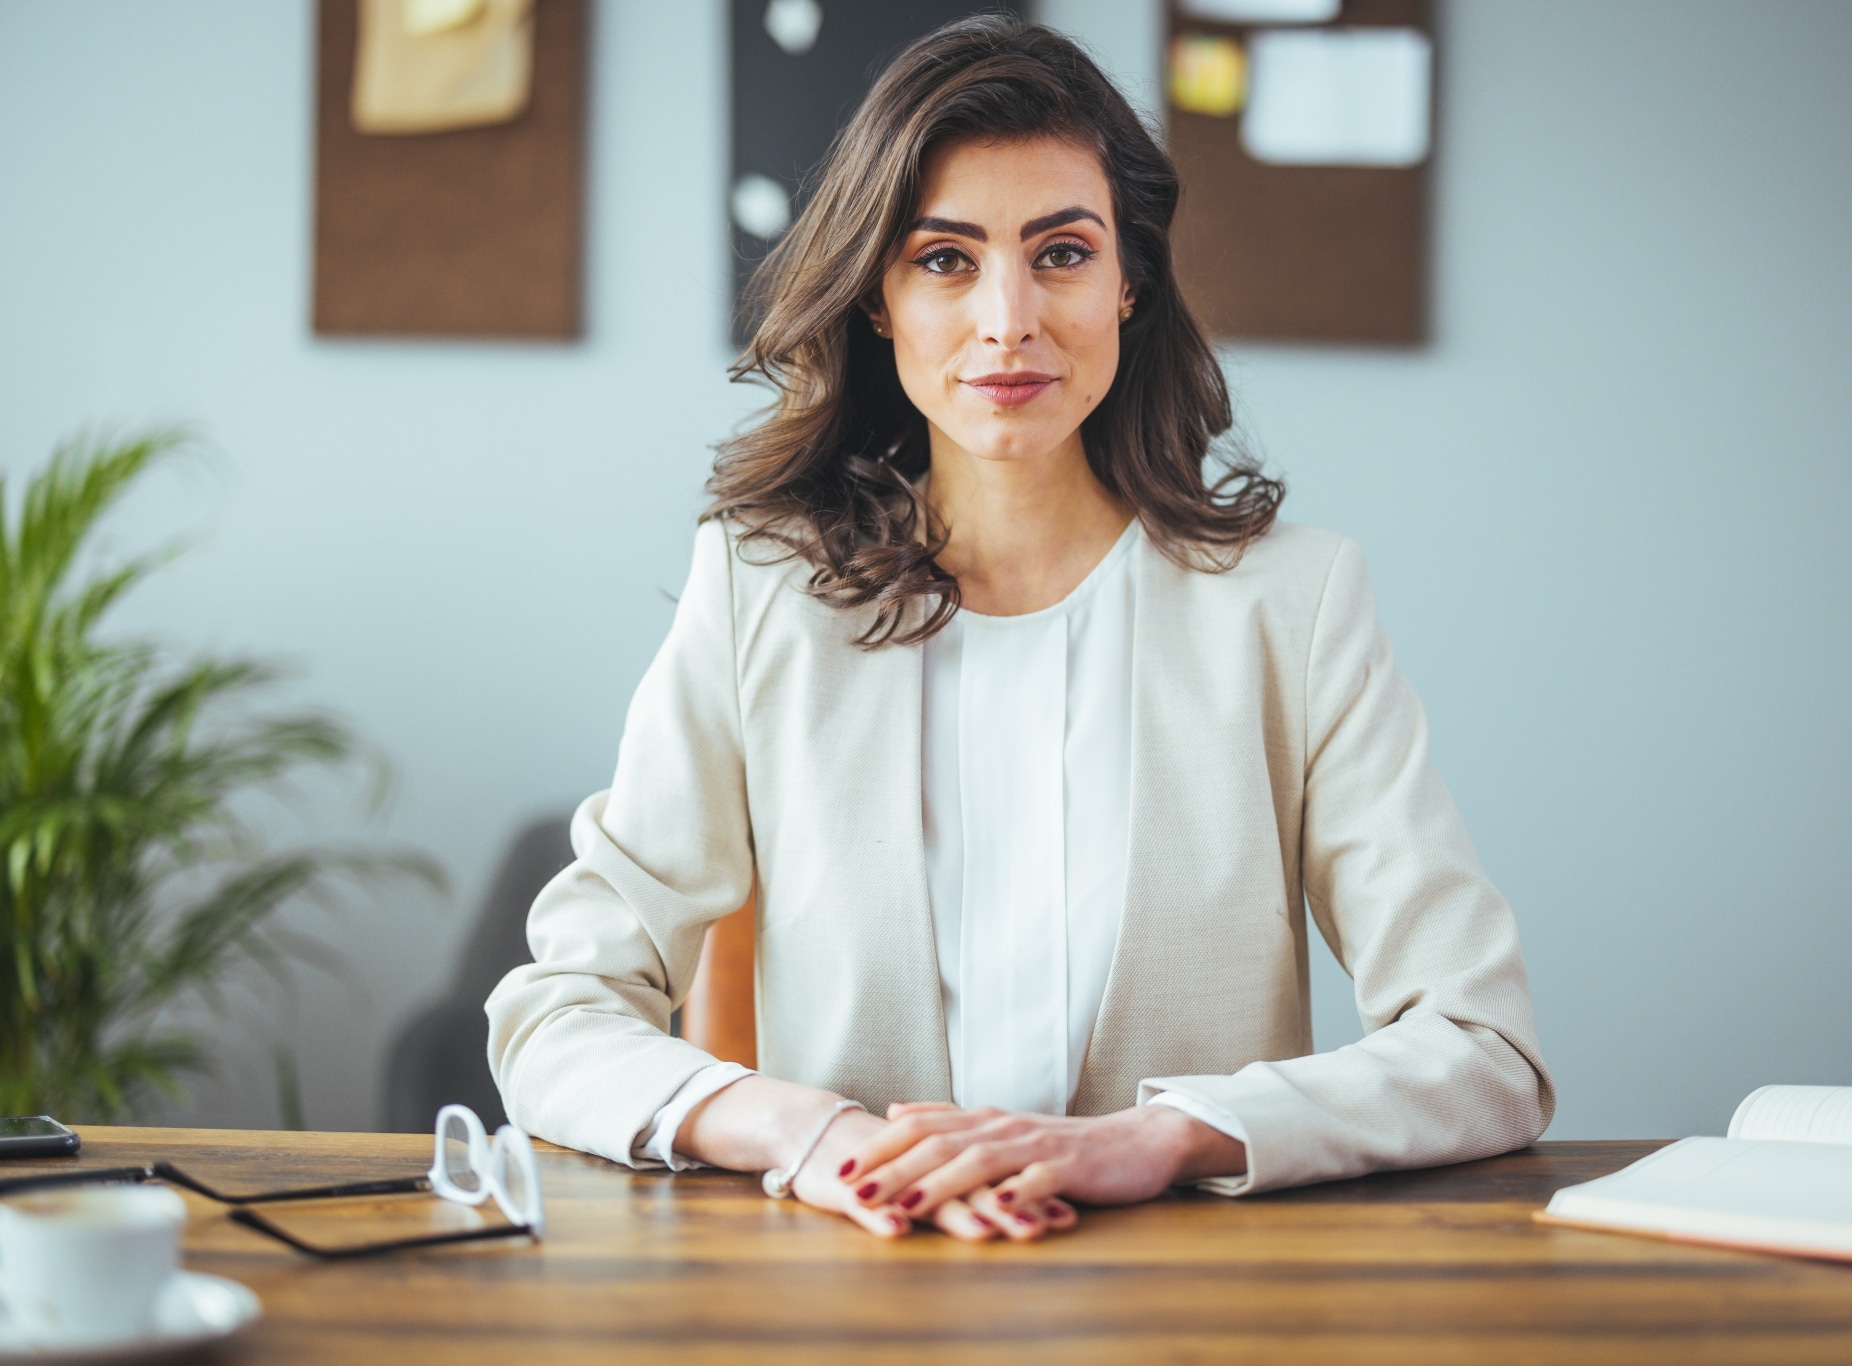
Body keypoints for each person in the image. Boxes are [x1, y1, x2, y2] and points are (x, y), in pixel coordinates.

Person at [486, 16, 1552, 1243]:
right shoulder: (759, 592)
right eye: (944, 259)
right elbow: (554, 1013)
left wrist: (1148, 1139)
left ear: (1127, 281)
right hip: (853, 1295)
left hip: (1197, 1307)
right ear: (879, 297)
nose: (1008, 319)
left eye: (1059, 252)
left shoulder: (1292, 605)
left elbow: (1484, 1048)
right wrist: (814, 1135)